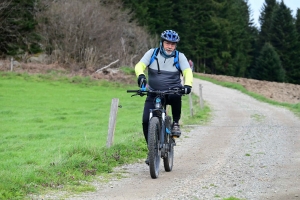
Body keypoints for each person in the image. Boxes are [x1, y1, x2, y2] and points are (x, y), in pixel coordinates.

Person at [134, 30, 193, 163]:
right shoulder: (152, 53)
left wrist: (187, 85)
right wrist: (141, 76)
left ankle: (176, 123)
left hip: (172, 91)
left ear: (176, 45)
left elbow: (187, 72)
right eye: (167, 43)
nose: (170, 46)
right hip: (153, 92)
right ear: (162, 43)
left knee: (177, 97)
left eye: (173, 44)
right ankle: (152, 150)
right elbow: (139, 66)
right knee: (145, 121)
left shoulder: (179, 56)